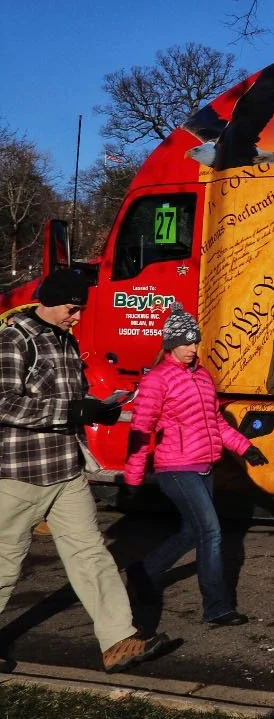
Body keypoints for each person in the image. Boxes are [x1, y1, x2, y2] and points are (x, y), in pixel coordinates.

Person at [0, 269, 173, 673]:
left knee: (91, 554)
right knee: (4, 561)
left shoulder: (64, 339)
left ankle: (119, 641)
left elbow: (70, 398)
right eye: (71, 309)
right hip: (20, 471)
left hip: (66, 467)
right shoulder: (14, 339)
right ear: (50, 300)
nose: (76, 317)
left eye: (78, 310)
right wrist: (70, 410)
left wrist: (99, 406)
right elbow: (3, 403)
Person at [123, 304, 266, 626]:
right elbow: (140, 430)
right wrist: (132, 477)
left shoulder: (202, 375)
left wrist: (246, 448)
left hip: (204, 465)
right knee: (212, 532)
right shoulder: (157, 380)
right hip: (175, 468)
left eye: (194, 342)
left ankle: (142, 572)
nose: (191, 348)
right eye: (185, 342)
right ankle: (217, 607)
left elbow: (216, 421)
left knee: (192, 532)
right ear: (170, 343)